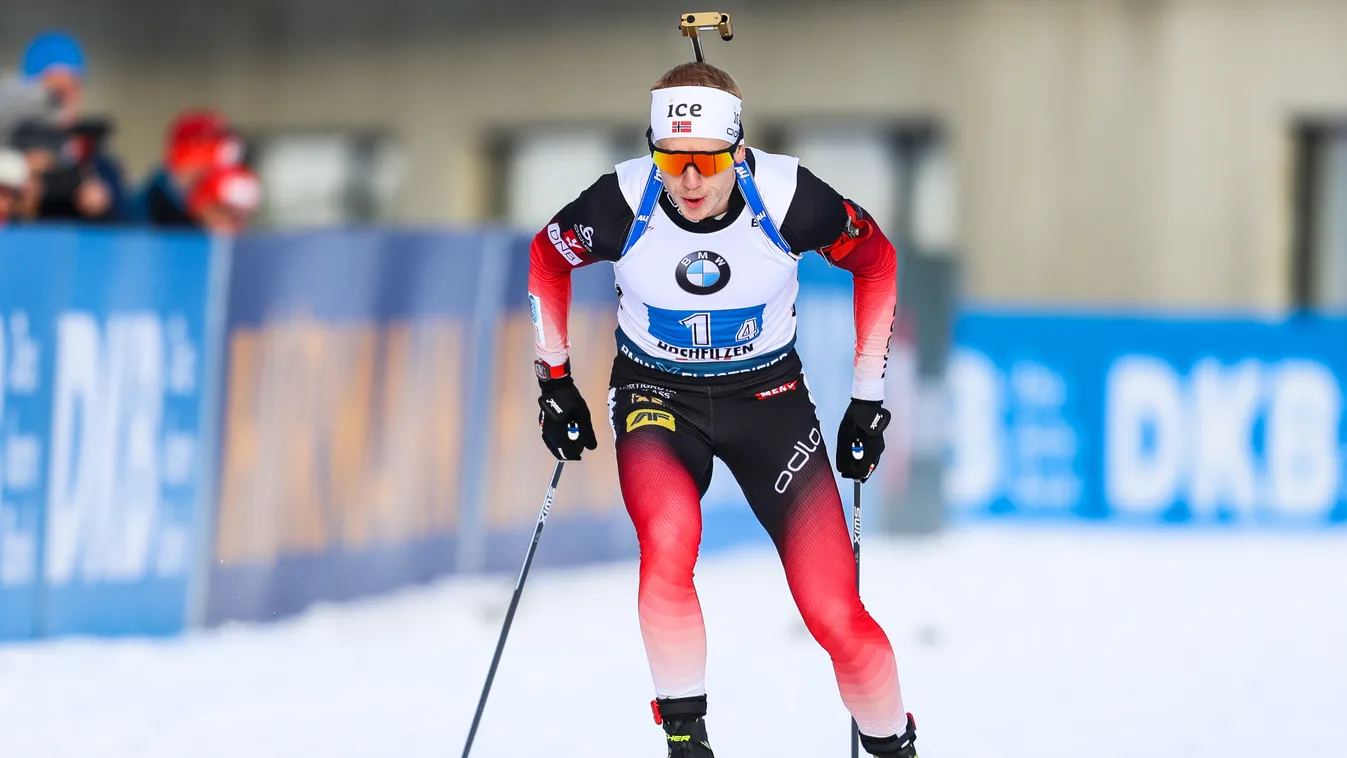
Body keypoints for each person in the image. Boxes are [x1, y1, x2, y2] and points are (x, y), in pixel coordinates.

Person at [526, 61, 918, 758]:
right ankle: (685, 741)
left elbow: (877, 262)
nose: (689, 181)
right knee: (667, 544)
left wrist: (866, 400)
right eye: (671, 160)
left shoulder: (789, 196)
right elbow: (546, 258)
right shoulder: (621, 200)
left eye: (707, 161)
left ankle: (895, 747)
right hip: (656, 395)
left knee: (834, 615)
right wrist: (553, 380)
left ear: (737, 150)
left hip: (767, 401)